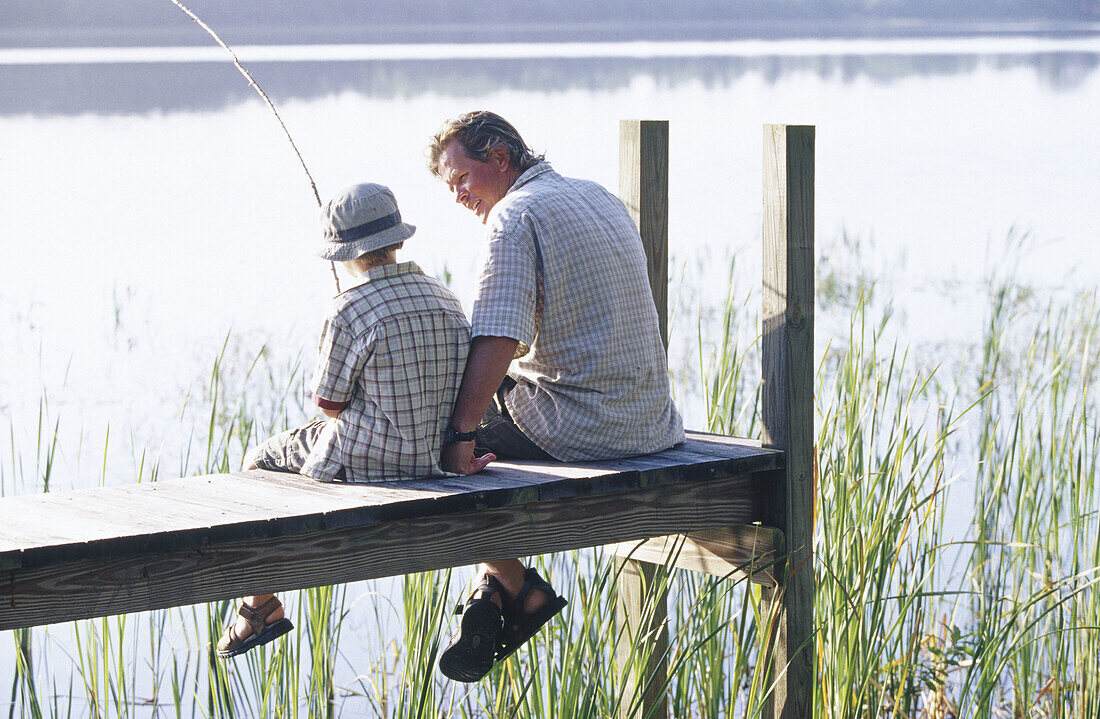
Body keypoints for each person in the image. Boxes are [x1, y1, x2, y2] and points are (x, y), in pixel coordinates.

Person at [427, 111, 685, 682]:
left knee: (425, 445)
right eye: (449, 188)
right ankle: (494, 589)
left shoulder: (513, 218)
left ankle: (511, 584)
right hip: (651, 425)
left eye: (460, 179)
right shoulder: (598, 197)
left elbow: (499, 336)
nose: (457, 196)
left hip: (577, 430)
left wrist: (459, 436)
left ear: (499, 157)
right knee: (470, 420)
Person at [216, 182, 477, 659]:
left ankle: (258, 603)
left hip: (365, 462)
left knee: (258, 460)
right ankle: (259, 604)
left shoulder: (349, 308)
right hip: (434, 459)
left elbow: (329, 406)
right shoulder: (445, 296)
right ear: (397, 239)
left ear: (342, 254)